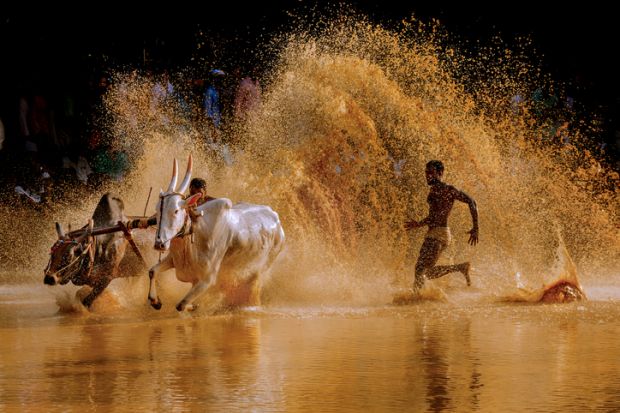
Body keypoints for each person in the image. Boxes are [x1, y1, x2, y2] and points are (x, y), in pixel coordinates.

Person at [404, 160, 478, 294]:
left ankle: (416, 297)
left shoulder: (447, 190)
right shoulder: (435, 190)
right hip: (436, 233)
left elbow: (471, 201)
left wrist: (476, 228)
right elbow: (435, 215)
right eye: (426, 173)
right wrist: (419, 224)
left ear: (440, 173)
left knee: (421, 270)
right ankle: (417, 296)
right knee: (422, 270)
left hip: (438, 234)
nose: (428, 176)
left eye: (431, 173)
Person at [131, 177, 214, 229]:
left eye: (199, 193)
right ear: (190, 190)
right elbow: (166, 214)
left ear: (205, 192)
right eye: (193, 193)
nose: (195, 196)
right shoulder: (185, 200)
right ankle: (143, 221)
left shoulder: (211, 201)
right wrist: (148, 220)